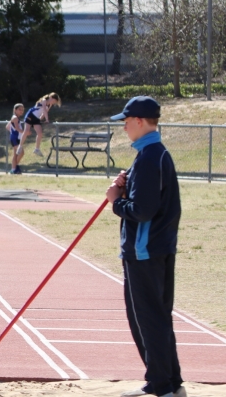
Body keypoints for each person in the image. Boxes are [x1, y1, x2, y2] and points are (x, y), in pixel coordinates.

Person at [106, 96, 185, 397]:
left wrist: (116, 201)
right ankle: (170, 380)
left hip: (145, 251)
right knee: (158, 316)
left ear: (139, 122)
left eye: (126, 121)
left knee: (147, 318)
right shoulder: (152, 154)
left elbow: (142, 210)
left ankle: (160, 383)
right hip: (156, 248)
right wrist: (126, 187)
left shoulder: (151, 156)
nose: (123, 126)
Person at [17, 92, 61, 158]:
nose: (54, 103)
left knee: (40, 133)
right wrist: (47, 119)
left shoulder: (50, 105)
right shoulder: (44, 100)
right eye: (54, 101)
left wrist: (41, 119)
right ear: (51, 98)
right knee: (26, 131)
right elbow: (44, 110)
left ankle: (37, 149)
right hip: (30, 115)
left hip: (36, 118)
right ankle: (20, 146)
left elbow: (44, 113)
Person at [6, 103, 25, 174]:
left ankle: (13, 169)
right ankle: (15, 167)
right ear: (15, 110)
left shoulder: (15, 118)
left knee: (16, 154)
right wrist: (24, 132)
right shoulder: (15, 118)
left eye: (22, 110)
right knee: (21, 152)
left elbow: (7, 126)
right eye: (19, 109)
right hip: (14, 138)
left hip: (17, 138)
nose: (21, 111)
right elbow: (17, 128)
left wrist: (12, 131)